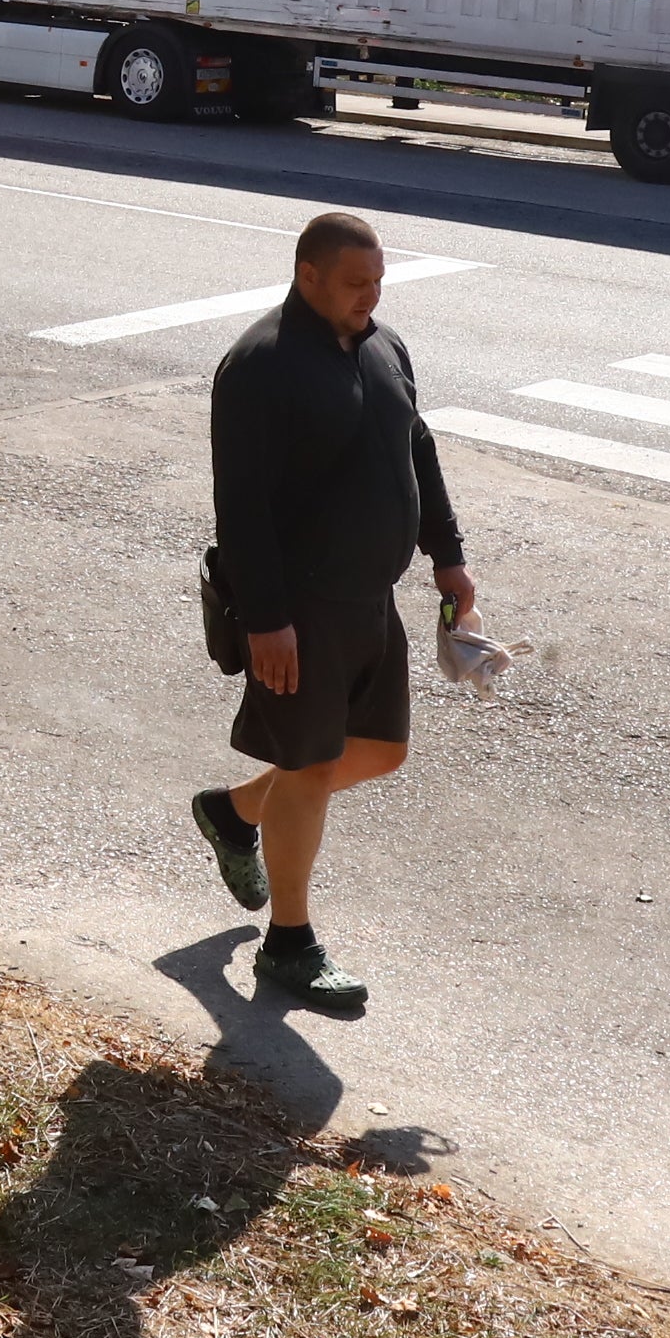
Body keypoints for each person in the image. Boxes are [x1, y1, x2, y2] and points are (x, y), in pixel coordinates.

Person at [188, 209, 475, 1018]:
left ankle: (235, 811)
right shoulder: (260, 366)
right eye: (354, 283)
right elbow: (239, 506)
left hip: (369, 597)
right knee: (312, 765)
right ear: (307, 275)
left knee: (381, 751)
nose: (370, 296)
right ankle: (289, 944)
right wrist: (267, 618)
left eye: (378, 281)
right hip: (301, 606)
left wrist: (447, 556)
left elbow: (417, 448)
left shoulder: (384, 347)